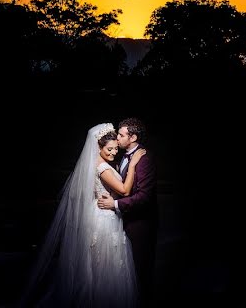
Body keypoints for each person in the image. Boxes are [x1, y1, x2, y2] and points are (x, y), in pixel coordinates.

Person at [21, 123, 146, 307]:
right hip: (104, 219)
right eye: (109, 149)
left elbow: (112, 191)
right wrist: (134, 164)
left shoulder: (100, 163)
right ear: (98, 147)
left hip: (104, 212)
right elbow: (125, 191)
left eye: (115, 149)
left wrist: (113, 194)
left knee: (102, 265)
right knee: (104, 264)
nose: (113, 153)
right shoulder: (102, 167)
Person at [97, 117, 158, 307]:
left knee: (139, 275)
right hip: (120, 222)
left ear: (133, 137)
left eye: (122, 135)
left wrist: (115, 204)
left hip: (139, 226)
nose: (118, 138)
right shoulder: (121, 156)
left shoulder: (144, 160)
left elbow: (144, 197)